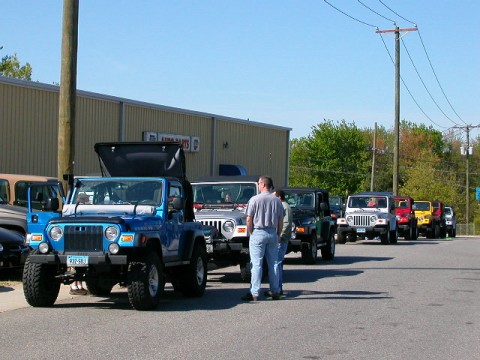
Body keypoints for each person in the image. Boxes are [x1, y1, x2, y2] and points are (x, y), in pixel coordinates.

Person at [241, 176, 284, 301]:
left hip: (258, 232)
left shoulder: (254, 199)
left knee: (256, 264)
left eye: (259, 183)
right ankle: (275, 290)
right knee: (274, 263)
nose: (258, 185)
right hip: (272, 232)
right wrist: (278, 234)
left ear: (264, 185)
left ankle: (254, 292)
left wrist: (250, 231)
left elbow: (249, 218)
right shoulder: (277, 201)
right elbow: (281, 220)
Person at [266, 189, 292, 297]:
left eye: (274, 196)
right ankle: (275, 287)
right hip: (280, 238)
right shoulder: (283, 206)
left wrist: (280, 236)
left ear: (279, 197)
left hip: (281, 239)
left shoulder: (284, 206)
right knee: (277, 263)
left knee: (277, 263)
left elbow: (286, 223)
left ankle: (278, 288)